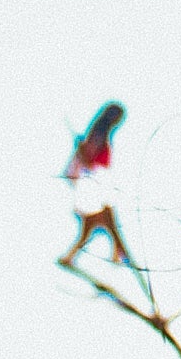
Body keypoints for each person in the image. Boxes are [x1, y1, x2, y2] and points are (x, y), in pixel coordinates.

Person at [58, 101, 139, 279]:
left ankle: (114, 253)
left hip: (90, 187)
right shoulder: (97, 137)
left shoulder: (99, 137)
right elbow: (86, 163)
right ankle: (120, 254)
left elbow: (93, 163)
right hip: (88, 189)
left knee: (99, 223)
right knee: (104, 221)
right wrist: (82, 152)